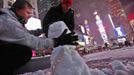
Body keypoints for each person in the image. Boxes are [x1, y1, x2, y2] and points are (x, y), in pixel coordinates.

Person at [0, 0, 78, 75]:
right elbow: (29, 40)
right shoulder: (8, 22)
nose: (30, 15)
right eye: (28, 12)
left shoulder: (10, 19)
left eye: (31, 13)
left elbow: (25, 34)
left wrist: (41, 30)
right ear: (17, 10)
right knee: (24, 51)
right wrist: (56, 41)